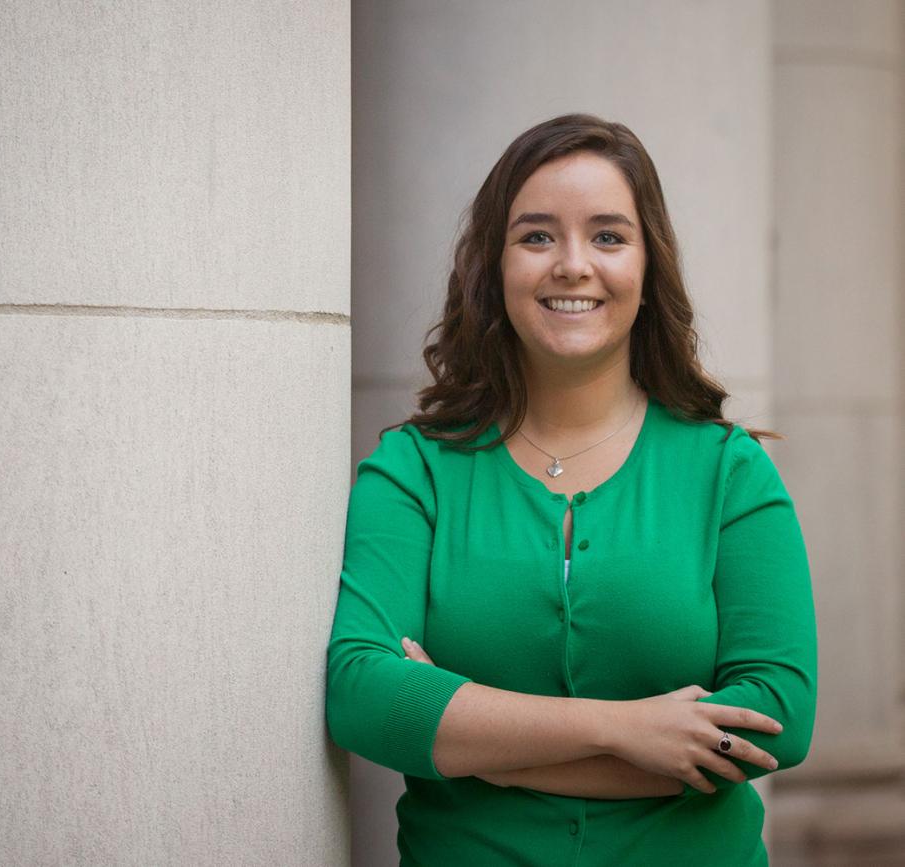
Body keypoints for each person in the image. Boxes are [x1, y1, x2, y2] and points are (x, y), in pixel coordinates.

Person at [324, 113, 818, 866]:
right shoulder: (413, 469)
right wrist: (624, 728)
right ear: (493, 266)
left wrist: (470, 742)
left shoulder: (728, 470)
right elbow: (363, 692)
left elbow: (776, 717)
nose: (573, 264)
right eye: (537, 236)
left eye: (609, 236)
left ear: (649, 270)